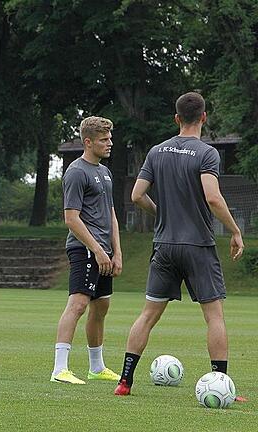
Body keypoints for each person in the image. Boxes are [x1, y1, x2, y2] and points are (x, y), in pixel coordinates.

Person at [114, 91, 244, 397]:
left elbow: (136, 195)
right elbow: (212, 197)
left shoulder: (156, 152)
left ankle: (124, 382)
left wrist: (160, 213)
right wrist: (235, 230)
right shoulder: (206, 153)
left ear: (176, 118)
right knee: (214, 317)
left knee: (147, 315)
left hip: (164, 246)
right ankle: (221, 384)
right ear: (203, 117)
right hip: (198, 245)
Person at [51, 116, 122, 385]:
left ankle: (96, 367)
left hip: (104, 251)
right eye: (104, 139)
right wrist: (97, 250)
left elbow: (111, 213)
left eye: (110, 138)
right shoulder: (76, 171)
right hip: (84, 250)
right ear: (88, 142)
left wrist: (117, 252)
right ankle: (60, 369)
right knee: (78, 304)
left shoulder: (105, 172)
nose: (110, 143)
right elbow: (71, 218)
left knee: (101, 306)